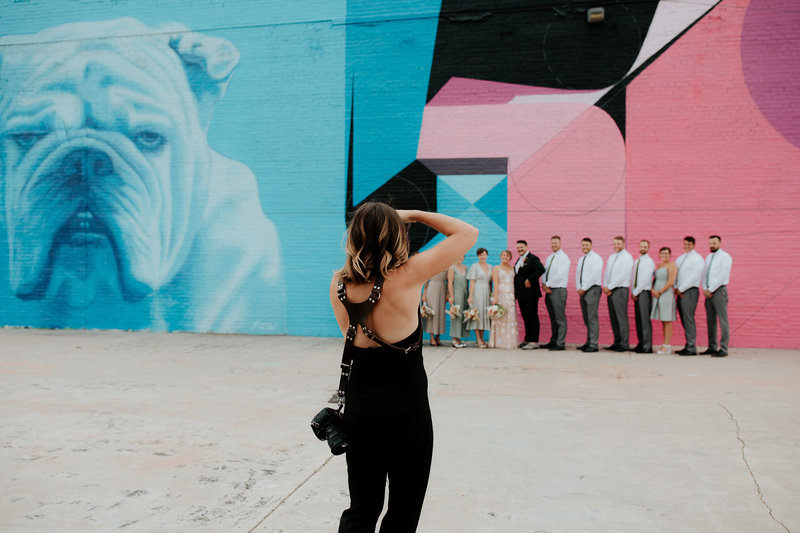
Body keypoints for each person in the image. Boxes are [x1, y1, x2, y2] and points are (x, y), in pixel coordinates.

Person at [329, 203, 478, 532]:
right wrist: (411, 213)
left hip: (360, 410)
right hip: (405, 412)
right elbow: (468, 233)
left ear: (354, 236)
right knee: (403, 510)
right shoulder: (408, 275)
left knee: (362, 508)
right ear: (395, 235)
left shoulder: (338, 285)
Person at [701, 235, 733, 357]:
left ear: (720, 243)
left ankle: (723, 348)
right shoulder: (709, 257)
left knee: (722, 320)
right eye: (710, 243)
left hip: (719, 290)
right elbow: (704, 274)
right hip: (708, 292)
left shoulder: (725, 257)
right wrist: (704, 288)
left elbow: (723, 276)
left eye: (714, 243)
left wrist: (711, 289)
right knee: (711, 320)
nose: (712, 245)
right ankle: (712, 346)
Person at [602, 236, 634, 352]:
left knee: (621, 317)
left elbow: (623, 275)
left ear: (623, 244)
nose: (616, 246)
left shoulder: (627, 257)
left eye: (618, 244)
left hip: (620, 289)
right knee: (613, 317)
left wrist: (610, 286)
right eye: (614, 243)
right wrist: (605, 285)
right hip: (610, 290)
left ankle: (624, 344)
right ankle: (617, 341)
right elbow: (607, 272)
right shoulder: (612, 257)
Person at [674, 236, 705, 356]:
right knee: (683, 318)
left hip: (690, 291)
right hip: (680, 291)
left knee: (688, 318)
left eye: (689, 244)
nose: (686, 246)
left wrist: (681, 289)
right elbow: (676, 274)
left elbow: (695, 277)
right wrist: (676, 288)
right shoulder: (680, 258)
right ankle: (688, 344)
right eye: (685, 244)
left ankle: (691, 347)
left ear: (693, 245)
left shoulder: (697, 258)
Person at [540, 236, 570, 351]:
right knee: (553, 317)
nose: (554, 245)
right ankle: (554, 340)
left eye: (556, 243)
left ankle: (560, 342)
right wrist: (543, 284)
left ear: (560, 243)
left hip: (558, 289)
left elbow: (560, 275)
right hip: (549, 290)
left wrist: (547, 284)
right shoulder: (550, 257)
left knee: (559, 318)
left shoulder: (564, 258)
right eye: (552, 243)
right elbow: (545, 272)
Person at [514, 240, 545, 349]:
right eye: (518, 248)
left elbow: (541, 269)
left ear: (526, 247)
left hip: (530, 293)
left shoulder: (533, 258)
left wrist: (530, 279)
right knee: (525, 316)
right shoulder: (519, 260)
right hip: (521, 294)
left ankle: (534, 341)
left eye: (521, 247)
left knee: (532, 316)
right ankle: (527, 339)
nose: (520, 249)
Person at [575, 238, 603, 353]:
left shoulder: (596, 258)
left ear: (591, 245)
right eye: (583, 245)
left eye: (587, 245)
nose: (585, 247)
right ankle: (588, 341)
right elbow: (577, 274)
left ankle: (594, 344)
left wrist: (584, 288)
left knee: (592, 317)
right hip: (583, 290)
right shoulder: (581, 259)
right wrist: (578, 288)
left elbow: (594, 275)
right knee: (586, 317)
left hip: (592, 289)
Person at [650, 247, 678, 354]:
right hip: (657, 294)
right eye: (662, 253)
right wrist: (653, 290)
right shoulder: (659, 266)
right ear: (659, 255)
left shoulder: (672, 265)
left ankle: (667, 345)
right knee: (663, 319)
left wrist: (660, 292)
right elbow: (654, 280)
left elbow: (671, 282)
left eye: (666, 253)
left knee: (667, 319)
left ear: (670, 254)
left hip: (665, 293)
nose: (664, 255)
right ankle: (664, 343)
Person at [489, 250, 519, 349]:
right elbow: (496, 284)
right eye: (503, 255)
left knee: (509, 317)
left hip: (510, 295)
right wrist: (495, 297)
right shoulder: (496, 268)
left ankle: (509, 341)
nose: (505, 257)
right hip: (501, 294)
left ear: (510, 258)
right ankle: (499, 342)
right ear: (500, 256)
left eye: (507, 256)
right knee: (500, 317)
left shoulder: (512, 268)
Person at [631, 240, 656, 353]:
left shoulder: (649, 262)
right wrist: (633, 291)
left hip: (643, 292)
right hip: (636, 293)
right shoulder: (637, 261)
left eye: (645, 246)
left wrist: (636, 292)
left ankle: (647, 346)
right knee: (638, 319)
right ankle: (641, 343)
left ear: (648, 248)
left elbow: (646, 279)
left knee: (644, 319)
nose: (643, 248)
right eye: (641, 246)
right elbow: (633, 278)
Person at [467, 248, 492, 348]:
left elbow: (490, 283)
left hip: (486, 292)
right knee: (477, 314)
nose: (483, 256)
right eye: (481, 255)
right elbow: (472, 282)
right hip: (477, 291)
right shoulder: (474, 266)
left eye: (484, 255)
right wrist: (470, 296)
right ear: (478, 256)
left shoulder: (490, 267)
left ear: (487, 255)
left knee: (484, 316)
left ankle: (482, 339)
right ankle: (478, 340)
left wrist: (491, 295)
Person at [447, 255, 469, 348]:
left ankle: (459, 338)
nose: (460, 258)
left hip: (465, 293)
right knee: (456, 315)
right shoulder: (452, 268)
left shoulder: (466, 267)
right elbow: (450, 283)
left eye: (462, 256)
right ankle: (454, 339)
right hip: (456, 293)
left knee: (463, 315)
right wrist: (451, 296)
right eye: (458, 256)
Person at [421, 270, 447, 346]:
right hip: (431, 289)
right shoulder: (433, 265)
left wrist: (447, 294)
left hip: (442, 289)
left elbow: (449, 281)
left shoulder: (448, 266)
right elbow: (426, 282)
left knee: (441, 314)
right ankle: (432, 337)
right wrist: (424, 295)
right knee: (432, 314)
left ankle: (438, 337)